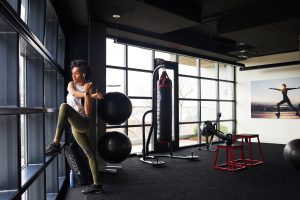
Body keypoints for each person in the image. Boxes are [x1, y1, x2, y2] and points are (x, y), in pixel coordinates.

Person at [45, 59, 104, 194]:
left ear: (84, 74)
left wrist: (89, 94)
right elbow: (73, 92)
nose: (73, 76)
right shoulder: (72, 84)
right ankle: (97, 185)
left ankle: (55, 144)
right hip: (74, 125)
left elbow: (88, 112)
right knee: (90, 154)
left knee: (64, 106)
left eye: (77, 73)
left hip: (82, 123)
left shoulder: (89, 89)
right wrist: (88, 93)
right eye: (73, 73)